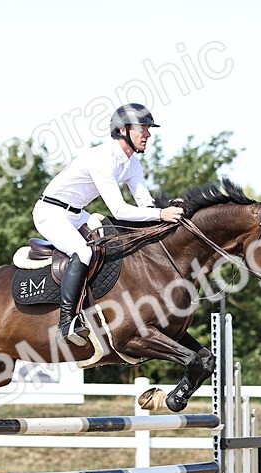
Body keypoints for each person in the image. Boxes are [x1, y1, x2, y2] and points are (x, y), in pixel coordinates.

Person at [33, 103, 186, 346]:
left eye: (149, 129)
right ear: (124, 130)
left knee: (110, 241)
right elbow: (118, 209)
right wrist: (161, 214)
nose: (148, 134)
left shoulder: (131, 162)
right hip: (51, 212)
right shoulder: (102, 157)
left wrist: (171, 208)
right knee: (82, 252)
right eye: (143, 128)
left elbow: (145, 204)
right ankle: (67, 323)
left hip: (77, 214)